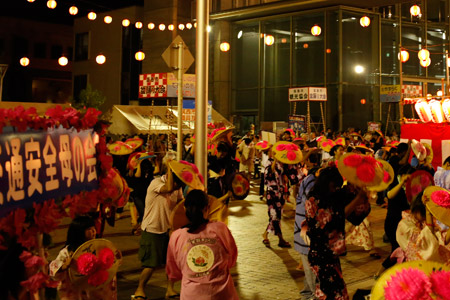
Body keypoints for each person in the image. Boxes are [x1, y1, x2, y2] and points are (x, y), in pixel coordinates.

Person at [305, 166, 368, 299]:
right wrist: (358, 199)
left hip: (331, 253)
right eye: (333, 186)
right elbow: (331, 218)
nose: (335, 190)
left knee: (332, 290)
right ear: (326, 183)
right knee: (332, 291)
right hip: (320, 253)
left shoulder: (333, 195)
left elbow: (354, 215)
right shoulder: (313, 199)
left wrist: (359, 191)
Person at [166, 190, 238, 300]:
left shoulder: (176, 236)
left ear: (185, 209)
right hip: (222, 294)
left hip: (192, 295)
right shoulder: (220, 228)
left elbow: (173, 271)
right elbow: (232, 258)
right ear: (206, 208)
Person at [132, 168, 185, 300]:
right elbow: (167, 188)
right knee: (151, 264)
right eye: (176, 184)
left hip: (168, 230)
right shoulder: (156, 183)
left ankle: (170, 289)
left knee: (170, 263)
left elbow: (181, 205)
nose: (176, 188)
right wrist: (170, 166)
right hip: (152, 229)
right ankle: (140, 289)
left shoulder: (177, 188)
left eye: (179, 186)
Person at [49, 215, 117, 299]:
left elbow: (110, 269)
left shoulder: (100, 246)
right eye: (89, 229)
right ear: (79, 232)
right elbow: (54, 273)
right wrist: (64, 267)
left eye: (94, 228)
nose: (93, 231)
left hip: (97, 291)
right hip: (77, 292)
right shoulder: (67, 252)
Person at [294, 152, 321, 300]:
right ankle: (310, 291)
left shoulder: (309, 179)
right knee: (308, 259)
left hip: (304, 223)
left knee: (307, 259)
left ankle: (310, 291)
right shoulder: (313, 180)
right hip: (305, 223)